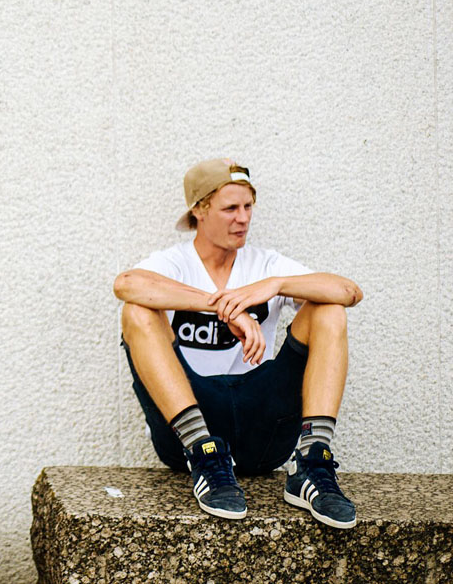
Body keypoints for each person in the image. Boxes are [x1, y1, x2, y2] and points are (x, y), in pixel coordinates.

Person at [113, 159, 362, 528]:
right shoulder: (174, 262)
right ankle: (205, 453)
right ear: (199, 210)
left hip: (262, 422)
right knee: (137, 312)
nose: (242, 218)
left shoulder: (264, 264)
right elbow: (127, 284)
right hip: (189, 428)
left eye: (248, 207)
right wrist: (224, 308)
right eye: (230, 208)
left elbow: (348, 291)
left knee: (329, 311)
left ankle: (312, 461)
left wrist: (275, 284)